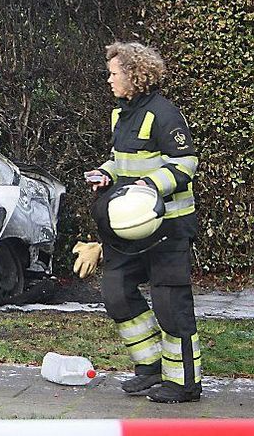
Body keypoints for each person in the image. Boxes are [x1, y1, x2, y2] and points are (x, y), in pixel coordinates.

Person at [76, 41, 201, 404]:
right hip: (128, 229)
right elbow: (120, 161)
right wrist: (104, 173)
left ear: (134, 75)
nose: (109, 80)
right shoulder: (120, 114)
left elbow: (185, 164)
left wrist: (151, 186)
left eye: (114, 73)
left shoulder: (164, 114)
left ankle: (183, 384)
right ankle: (150, 369)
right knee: (116, 294)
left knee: (170, 306)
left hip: (168, 229)